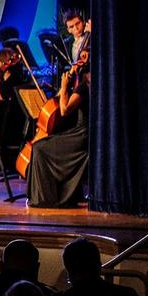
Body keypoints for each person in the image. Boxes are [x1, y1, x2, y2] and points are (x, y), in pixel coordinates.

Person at [26, 13, 90, 208]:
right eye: (71, 27)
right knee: (44, 143)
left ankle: (47, 197)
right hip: (78, 129)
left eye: (78, 24)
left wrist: (64, 87)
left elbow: (64, 110)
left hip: (82, 134)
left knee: (39, 148)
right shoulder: (83, 81)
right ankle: (61, 194)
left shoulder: (84, 84)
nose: (75, 29)